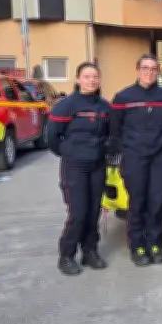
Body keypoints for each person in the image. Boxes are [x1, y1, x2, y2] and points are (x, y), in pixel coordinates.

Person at [109, 55, 162, 267]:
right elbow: (115, 130)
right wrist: (122, 153)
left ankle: (154, 244)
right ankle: (137, 246)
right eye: (145, 68)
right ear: (137, 70)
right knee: (138, 203)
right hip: (134, 158)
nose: (149, 72)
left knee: (157, 202)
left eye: (154, 69)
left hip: (160, 157)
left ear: (158, 72)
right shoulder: (123, 98)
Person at [46, 62, 111, 276]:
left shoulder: (104, 106)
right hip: (74, 167)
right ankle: (66, 255)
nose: (91, 80)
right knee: (78, 213)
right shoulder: (67, 106)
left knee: (93, 212)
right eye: (86, 76)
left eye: (95, 77)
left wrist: (106, 149)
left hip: (97, 166)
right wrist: (68, 152)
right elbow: (52, 137)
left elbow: (111, 135)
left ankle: (90, 251)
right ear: (78, 79)